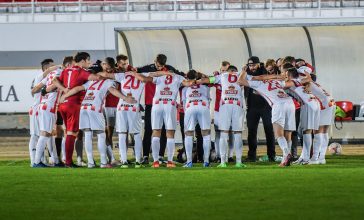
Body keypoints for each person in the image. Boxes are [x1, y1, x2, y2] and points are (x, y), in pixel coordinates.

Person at [59, 66, 136, 168]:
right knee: (101, 134)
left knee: (87, 134)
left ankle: (91, 163)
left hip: (84, 108)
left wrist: (65, 95)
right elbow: (112, 90)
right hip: (95, 109)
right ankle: (103, 162)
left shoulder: (91, 82)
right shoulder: (109, 82)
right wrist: (125, 98)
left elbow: (78, 88)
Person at [133, 70, 194, 168]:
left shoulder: (160, 77)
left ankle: (156, 162)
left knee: (156, 132)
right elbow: (189, 83)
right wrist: (196, 79)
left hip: (157, 105)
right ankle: (169, 162)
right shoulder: (178, 77)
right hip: (170, 105)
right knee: (170, 133)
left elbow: (144, 79)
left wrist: (133, 73)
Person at [238, 67, 297, 167]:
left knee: (278, 133)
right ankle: (285, 159)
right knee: (288, 131)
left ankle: (287, 153)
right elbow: (290, 83)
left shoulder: (259, 83)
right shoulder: (276, 82)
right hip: (290, 103)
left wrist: (243, 71)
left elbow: (240, 81)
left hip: (278, 105)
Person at [52, 52, 101, 167]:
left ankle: (66, 159)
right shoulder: (81, 72)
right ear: (83, 61)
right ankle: (68, 162)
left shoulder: (66, 70)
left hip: (63, 104)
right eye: (88, 61)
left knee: (68, 132)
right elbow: (96, 78)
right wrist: (97, 72)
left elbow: (54, 80)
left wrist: (64, 89)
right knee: (72, 133)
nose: (89, 63)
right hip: (73, 104)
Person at [136, 54, 184, 164]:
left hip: (166, 103)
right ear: (155, 61)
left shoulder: (170, 69)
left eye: (161, 66)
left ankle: (160, 156)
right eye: (157, 65)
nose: (159, 68)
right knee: (149, 130)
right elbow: (137, 72)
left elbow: (180, 76)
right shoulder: (148, 68)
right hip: (151, 103)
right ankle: (145, 156)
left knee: (164, 131)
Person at [198, 65, 246, 168]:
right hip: (237, 106)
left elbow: (208, 80)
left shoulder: (222, 76)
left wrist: (197, 81)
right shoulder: (241, 75)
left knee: (223, 134)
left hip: (224, 106)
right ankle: (238, 162)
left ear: (227, 71)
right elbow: (255, 81)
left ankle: (223, 162)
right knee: (237, 134)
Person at [280, 65, 319, 165]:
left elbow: (280, 86)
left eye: (285, 73)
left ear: (288, 75)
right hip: (313, 103)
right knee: (304, 131)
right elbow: (310, 78)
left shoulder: (291, 82)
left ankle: (306, 158)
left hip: (307, 105)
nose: (283, 75)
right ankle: (304, 156)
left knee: (306, 131)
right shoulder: (300, 80)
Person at [296, 67, 336, 165]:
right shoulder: (314, 83)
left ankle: (315, 158)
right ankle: (321, 157)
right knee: (324, 131)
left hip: (324, 104)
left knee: (317, 131)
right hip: (331, 102)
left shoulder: (305, 82)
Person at [30, 59, 61, 167]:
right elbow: (49, 86)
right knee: (40, 135)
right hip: (46, 108)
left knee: (47, 134)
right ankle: (36, 161)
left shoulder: (48, 76)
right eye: (52, 66)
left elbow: (36, 88)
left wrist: (36, 91)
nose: (55, 67)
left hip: (43, 106)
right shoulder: (54, 73)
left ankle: (54, 160)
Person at [245, 56, 276, 162]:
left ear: (258, 64)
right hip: (252, 107)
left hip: (266, 106)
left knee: (269, 131)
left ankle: (271, 155)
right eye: (250, 65)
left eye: (253, 65)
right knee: (251, 131)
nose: (252, 67)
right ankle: (252, 156)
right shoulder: (246, 73)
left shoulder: (265, 71)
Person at [182, 70, 211, 168]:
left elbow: (184, 103)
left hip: (190, 108)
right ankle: (206, 161)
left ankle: (189, 162)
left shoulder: (185, 88)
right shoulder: (205, 86)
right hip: (203, 107)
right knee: (206, 134)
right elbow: (208, 99)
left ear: (187, 77)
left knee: (188, 133)